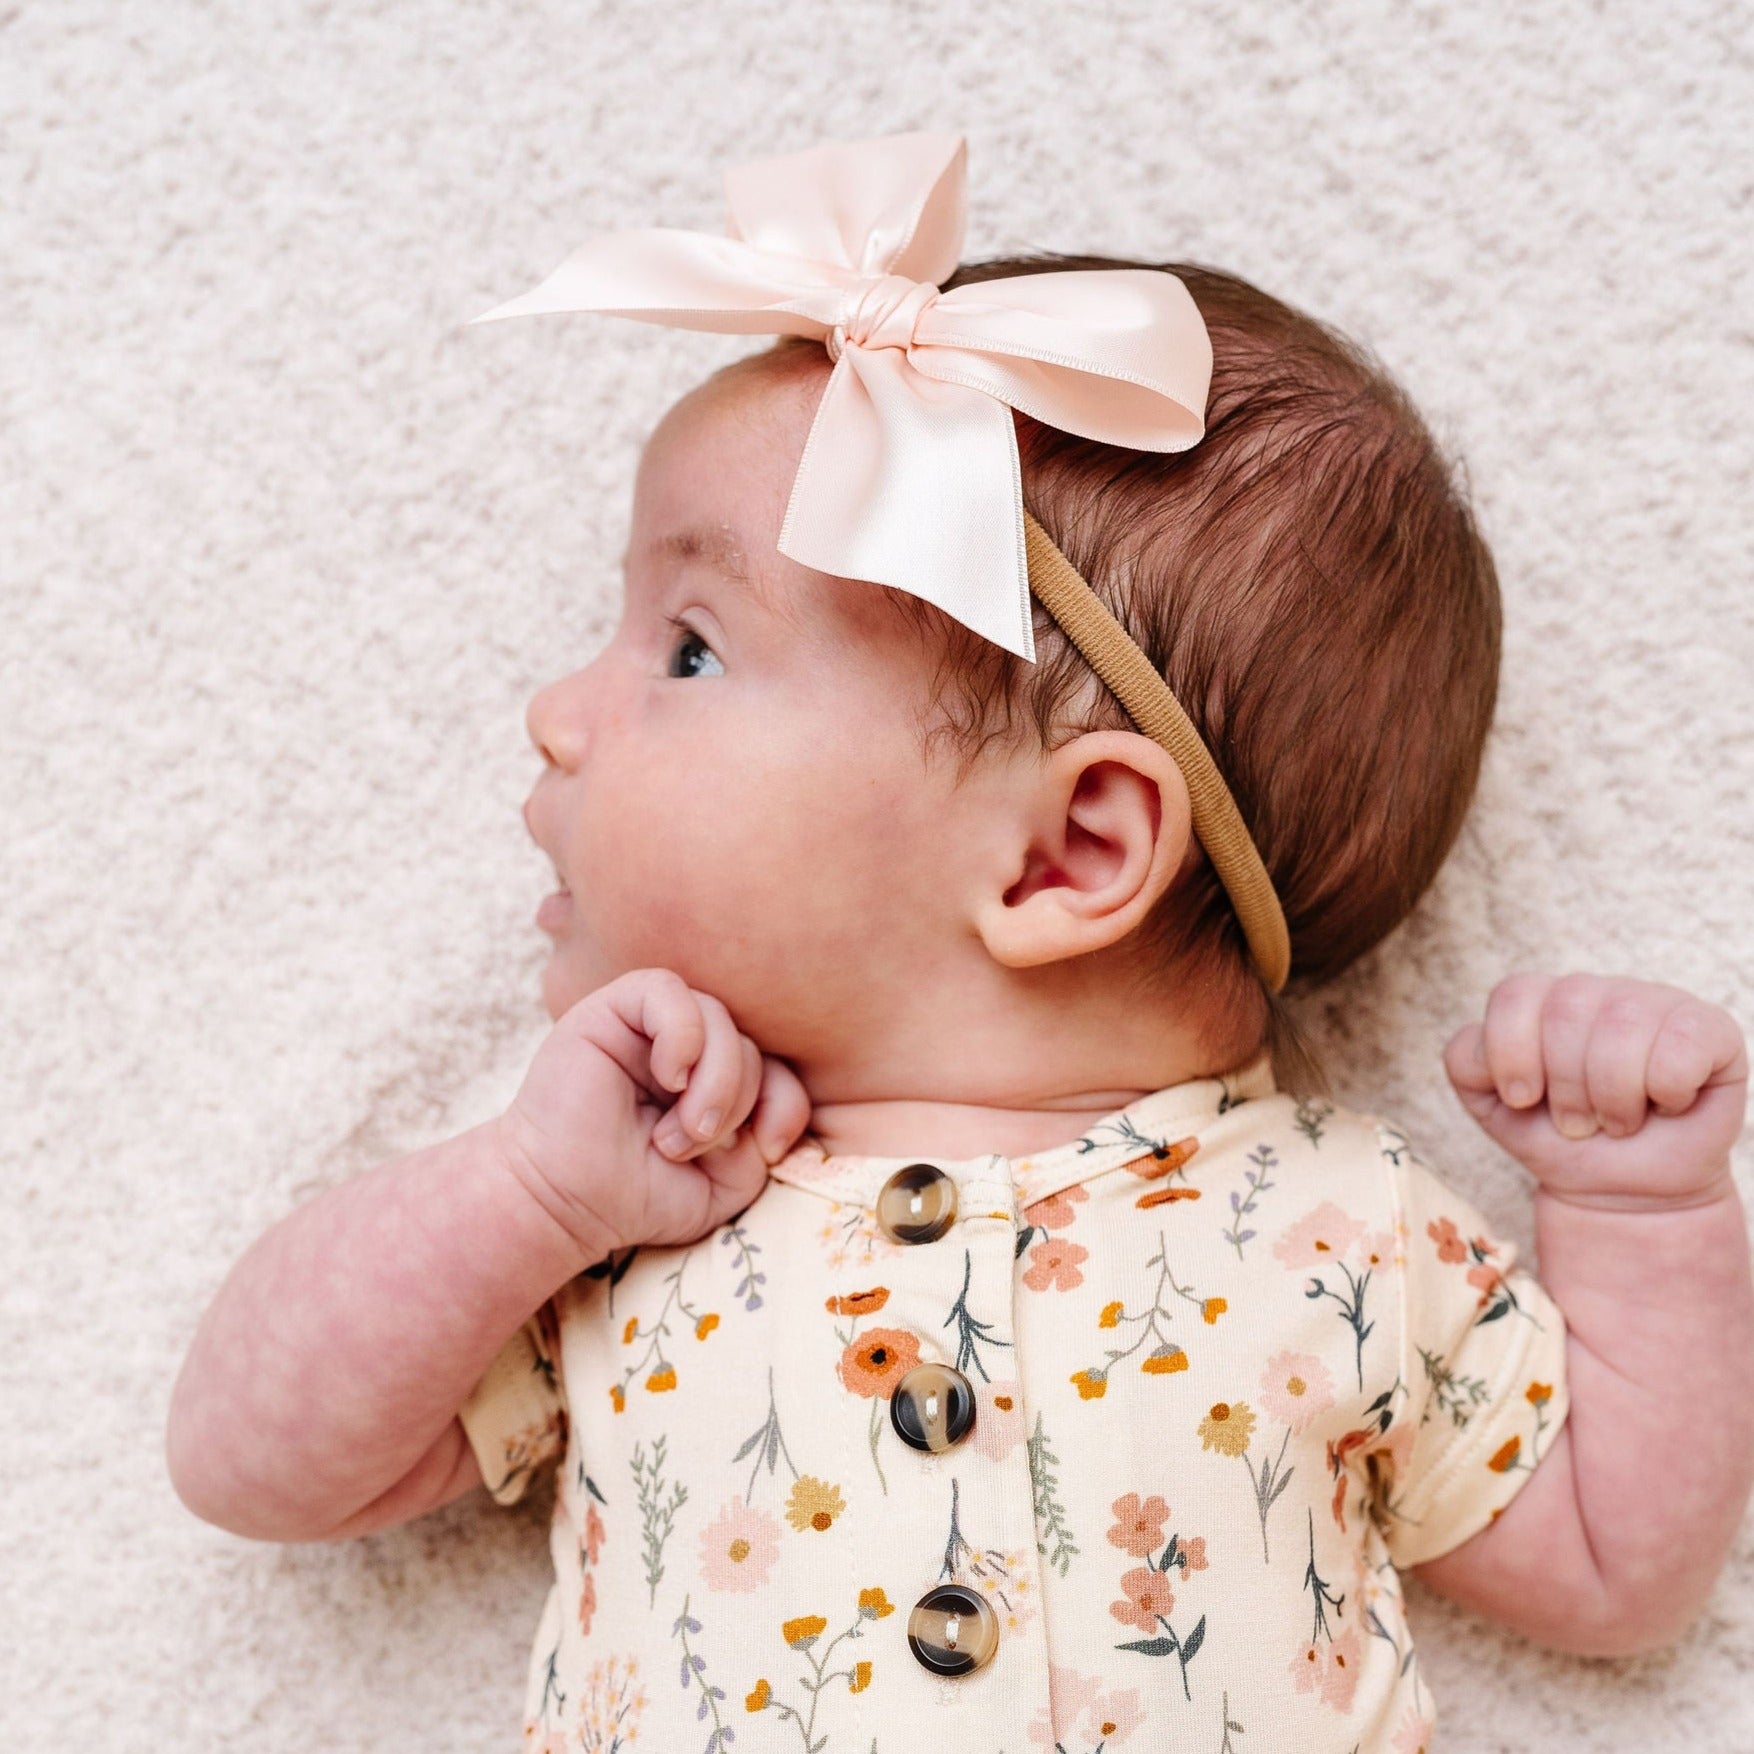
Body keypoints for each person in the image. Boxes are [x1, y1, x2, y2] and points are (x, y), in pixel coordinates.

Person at [164, 132, 1752, 1753]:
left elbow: (1620, 1562)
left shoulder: (1334, 1227)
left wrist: (1640, 1208)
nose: (556, 716)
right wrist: (521, 1190)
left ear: (1068, 853)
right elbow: (253, 1461)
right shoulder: (622, 1206)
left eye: (690, 650)